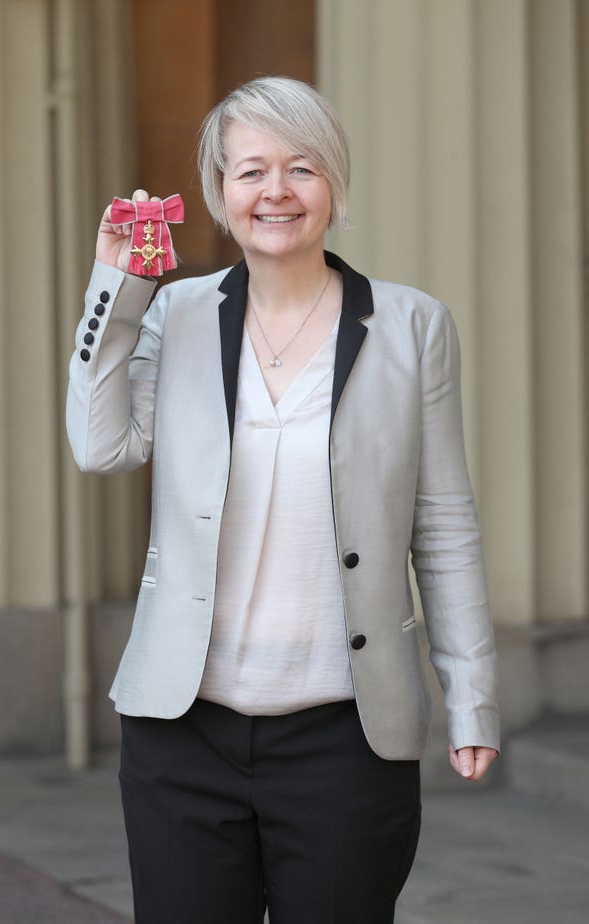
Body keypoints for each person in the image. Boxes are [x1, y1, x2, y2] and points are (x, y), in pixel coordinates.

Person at [66, 76, 499, 924]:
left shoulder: (412, 327)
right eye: (251, 171)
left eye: (300, 168)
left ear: (333, 184)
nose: (276, 192)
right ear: (220, 195)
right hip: (182, 729)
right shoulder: (176, 315)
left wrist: (471, 692)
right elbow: (100, 444)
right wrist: (113, 289)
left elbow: (443, 524)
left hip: (346, 734)